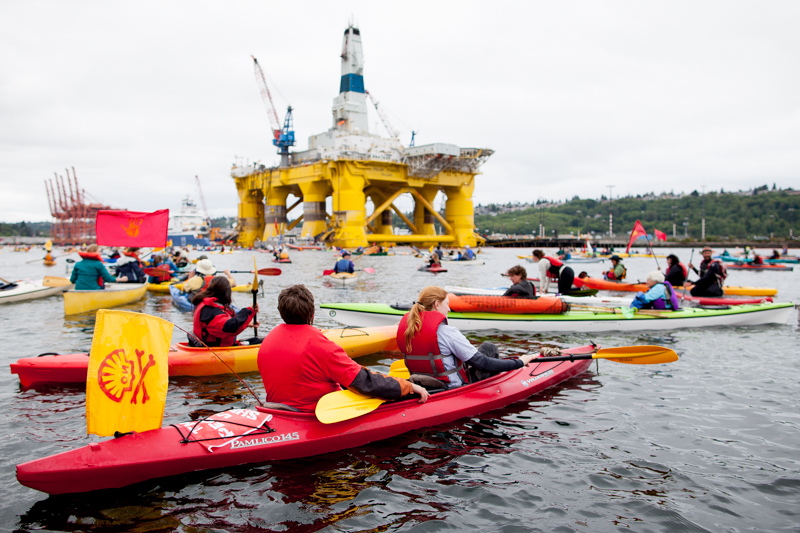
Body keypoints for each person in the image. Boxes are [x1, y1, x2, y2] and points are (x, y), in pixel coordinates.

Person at [257, 284, 428, 411]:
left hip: (278, 410)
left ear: (281, 313)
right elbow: (364, 382)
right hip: (315, 416)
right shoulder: (320, 346)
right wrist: (408, 387)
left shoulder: (267, 341)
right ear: (312, 314)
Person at [397, 286, 540, 388]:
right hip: (452, 387)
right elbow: (482, 363)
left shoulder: (408, 329)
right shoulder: (446, 332)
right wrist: (519, 362)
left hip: (422, 383)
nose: (448, 309)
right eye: (447, 304)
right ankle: (495, 385)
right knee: (489, 348)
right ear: (436, 304)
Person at [189, 276, 257, 347]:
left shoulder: (209, 306)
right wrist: (250, 310)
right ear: (226, 293)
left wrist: (246, 323)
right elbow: (231, 327)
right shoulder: (210, 310)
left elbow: (225, 322)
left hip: (218, 346)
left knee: (258, 340)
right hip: (214, 351)